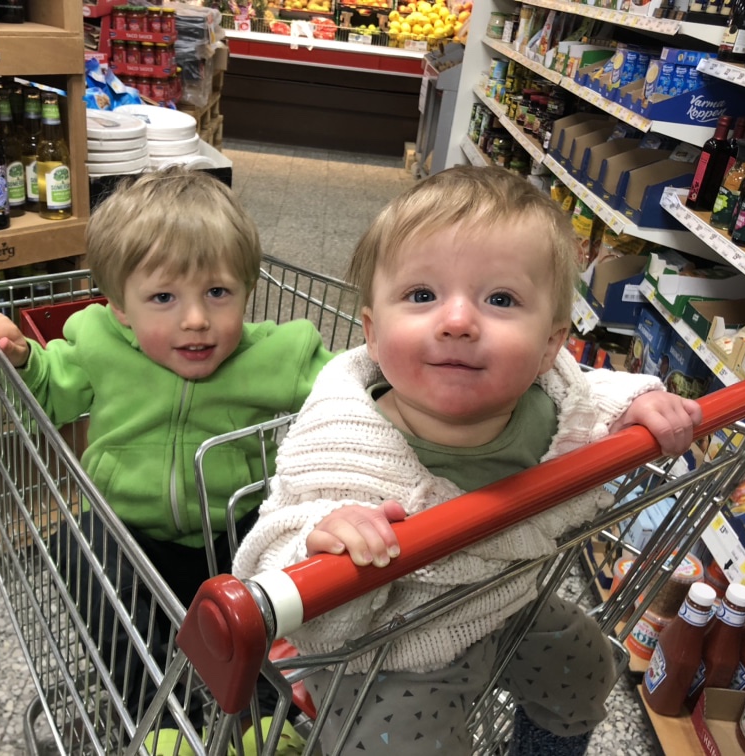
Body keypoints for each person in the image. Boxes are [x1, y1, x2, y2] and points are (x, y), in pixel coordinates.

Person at [232, 166, 703, 755]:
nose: (457, 322)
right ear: (372, 334)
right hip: (388, 649)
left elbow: (588, 395)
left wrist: (639, 401)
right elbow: (273, 547)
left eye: (500, 299)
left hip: (501, 598)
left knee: (587, 669)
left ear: (550, 345)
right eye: (422, 295)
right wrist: (320, 540)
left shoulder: (552, 402)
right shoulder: (339, 441)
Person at [0, 167, 335, 727]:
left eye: (218, 292)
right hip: (128, 536)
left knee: (272, 586)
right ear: (120, 307)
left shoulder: (279, 356)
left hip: (231, 537)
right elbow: (50, 389)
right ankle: (152, 717)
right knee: (80, 548)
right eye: (163, 297)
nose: (196, 320)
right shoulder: (98, 342)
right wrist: (20, 358)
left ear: (247, 290)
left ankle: (260, 713)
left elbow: (347, 388)